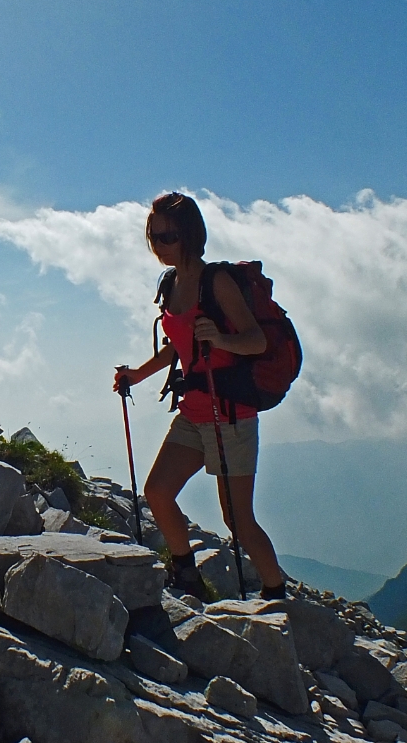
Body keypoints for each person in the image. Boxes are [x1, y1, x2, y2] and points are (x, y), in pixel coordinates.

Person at [113, 192, 287, 601]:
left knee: (238, 521)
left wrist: (222, 338)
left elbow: (257, 341)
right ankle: (187, 576)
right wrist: (138, 374)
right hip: (194, 411)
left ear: (191, 234)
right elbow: (178, 346)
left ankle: (276, 594)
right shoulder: (171, 283)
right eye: (154, 237)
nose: (160, 245)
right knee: (157, 492)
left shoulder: (217, 281)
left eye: (168, 236)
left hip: (231, 415)